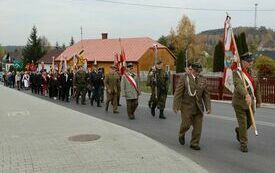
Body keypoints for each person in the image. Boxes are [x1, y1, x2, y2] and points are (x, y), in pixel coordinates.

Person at [173, 63, 211, 151]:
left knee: (198, 127)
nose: (198, 73)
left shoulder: (203, 79)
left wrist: (208, 107)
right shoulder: (184, 78)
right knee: (186, 124)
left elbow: (206, 95)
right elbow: (178, 93)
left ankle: (194, 143)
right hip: (186, 106)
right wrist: (176, 106)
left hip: (198, 107)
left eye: (199, 71)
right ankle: (181, 133)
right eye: (196, 71)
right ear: (192, 70)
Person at [232, 52, 262, 153]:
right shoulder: (237, 72)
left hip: (250, 103)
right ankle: (243, 143)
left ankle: (239, 131)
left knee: (250, 122)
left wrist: (258, 101)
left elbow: (256, 88)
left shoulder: (253, 72)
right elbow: (238, 85)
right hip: (240, 102)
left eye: (251, 61)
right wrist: (246, 94)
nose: (251, 63)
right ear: (243, 62)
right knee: (243, 123)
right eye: (248, 61)